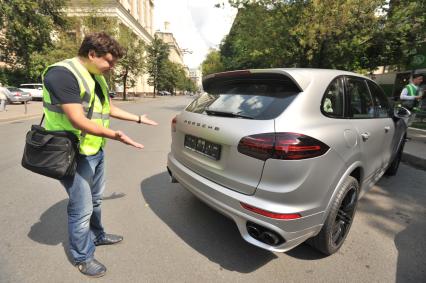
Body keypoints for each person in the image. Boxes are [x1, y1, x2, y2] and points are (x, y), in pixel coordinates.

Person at [42, 32, 158, 278]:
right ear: (92, 54)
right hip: (71, 151)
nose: (112, 67)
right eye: (109, 61)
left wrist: (138, 118)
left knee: (95, 199)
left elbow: (109, 108)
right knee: (81, 208)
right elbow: (77, 119)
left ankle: (98, 235)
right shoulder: (62, 74)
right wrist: (116, 135)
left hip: (94, 149)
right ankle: (82, 257)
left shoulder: (97, 76)